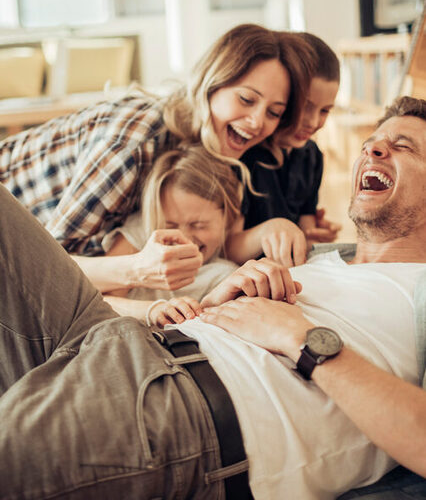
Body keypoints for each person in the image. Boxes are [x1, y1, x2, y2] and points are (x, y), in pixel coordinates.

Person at [1, 95, 425, 500]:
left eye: (402, 146)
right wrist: (219, 306)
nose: (373, 151)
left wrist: (302, 338)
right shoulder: (320, 261)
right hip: (122, 338)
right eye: (370, 145)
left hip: (181, 405)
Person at [0, 23, 313, 288]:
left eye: (274, 112)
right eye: (246, 99)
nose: (258, 122)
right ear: (210, 84)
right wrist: (137, 269)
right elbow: (42, 273)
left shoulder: (225, 144)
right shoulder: (135, 143)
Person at [228, 32, 342, 265]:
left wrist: (311, 237)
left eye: (324, 110)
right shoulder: (244, 155)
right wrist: (271, 231)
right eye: (305, 106)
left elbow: (305, 228)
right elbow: (226, 249)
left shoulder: (312, 157)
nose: (312, 122)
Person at [101, 145, 243, 327]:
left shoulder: (223, 275)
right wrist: (152, 310)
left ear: (228, 219)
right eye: (170, 225)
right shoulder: (142, 233)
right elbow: (102, 301)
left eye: (198, 225)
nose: (184, 239)